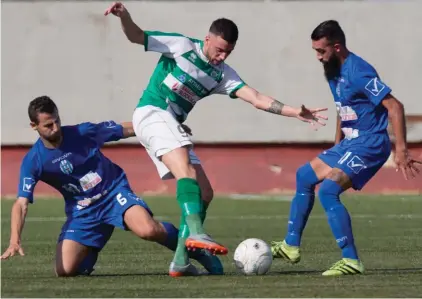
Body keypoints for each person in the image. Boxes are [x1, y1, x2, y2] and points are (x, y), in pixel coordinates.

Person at [104, 1, 328, 276]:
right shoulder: (182, 46)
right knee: (185, 167)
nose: (222, 56)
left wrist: (295, 112)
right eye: (219, 49)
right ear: (207, 39)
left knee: (205, 192)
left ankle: (181, 261)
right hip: (151, 112)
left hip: (170, 122)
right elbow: (137, 36)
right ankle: (197, 232)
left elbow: (256, 98)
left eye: (228, 52)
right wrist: (124, 16)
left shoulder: (222, 74)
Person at [1, 96, 219, 277]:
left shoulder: (81, 133)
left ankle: (195, 251)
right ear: (34, 126)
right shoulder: (34, 161)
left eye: (57, 120)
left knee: (148, 230)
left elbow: (123, 129)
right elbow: (21, 204)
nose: (56, 128)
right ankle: (92, 247)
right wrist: (14, 240)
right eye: (48, 125)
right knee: (64, 271)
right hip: (83, 211)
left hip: (113, 192)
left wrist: (165, 128)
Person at [271, 20, 422, 276]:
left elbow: (395, 107)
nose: (318, 57)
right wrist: (337, 147)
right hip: (351, 143)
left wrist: (402, 150)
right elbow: (344, 109)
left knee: (328, 191)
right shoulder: (333, 70)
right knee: (304, 176)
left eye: (322, 51)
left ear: (337, 47)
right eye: (315, 51)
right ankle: (291, 245)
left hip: (371, 144)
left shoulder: (359, 71)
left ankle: (351, 260)